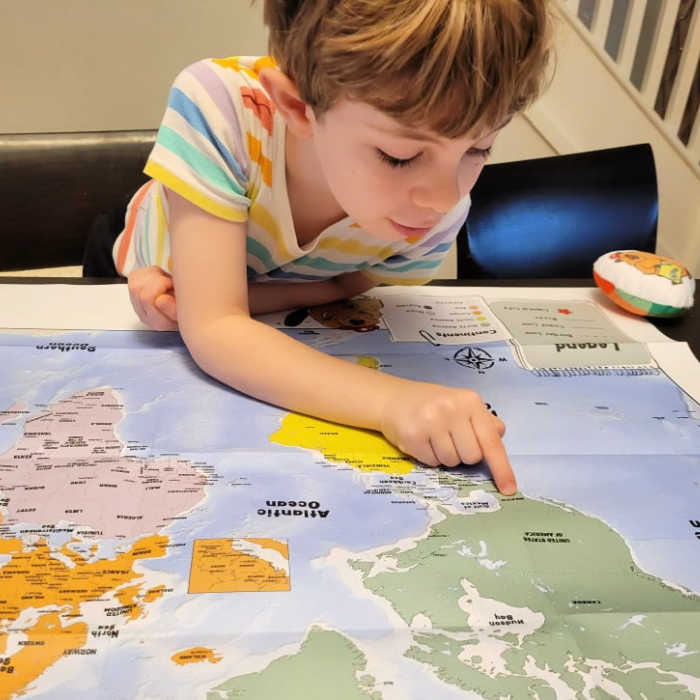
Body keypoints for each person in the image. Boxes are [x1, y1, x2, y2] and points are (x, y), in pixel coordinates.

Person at [102, 0, 552, 495]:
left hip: (215, 298)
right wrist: (393, 403)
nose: (444, 198)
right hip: (136, 268)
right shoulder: (220, 106)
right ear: (297, 108)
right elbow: (216, 331)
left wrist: (218, 306)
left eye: (478, 148)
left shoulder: (434, 213)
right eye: (399, 156)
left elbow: (343, 289)